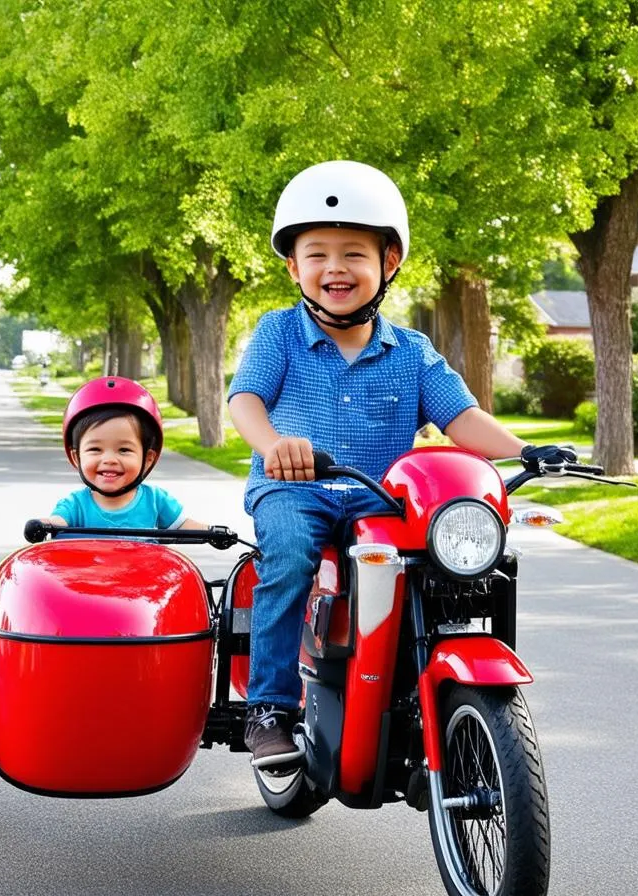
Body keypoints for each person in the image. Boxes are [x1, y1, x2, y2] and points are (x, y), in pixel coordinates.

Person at [228, 160, 576, 768]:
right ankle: (270, 707)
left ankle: (422, 684)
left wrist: (526, 451)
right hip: (295, 490)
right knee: (285, 557)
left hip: (379, 498)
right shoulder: (278, 333)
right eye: (317, 254)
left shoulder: (412, 350)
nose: (335, 268)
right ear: (293, 267)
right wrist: (272, 446)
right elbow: (246, 401)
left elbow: (462, 419)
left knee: (447, 565)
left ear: (388, 263)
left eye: (353, 253)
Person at [42, 376, 206, 531]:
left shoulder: (156, 500)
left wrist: (214, 532)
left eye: (124, 450)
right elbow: (58, 521)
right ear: (76, 457)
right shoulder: (74, 505)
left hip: (146, 563)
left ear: (148, 459)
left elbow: (183, 524)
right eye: (95, 449)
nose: (109, 459)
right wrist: (48, 524)